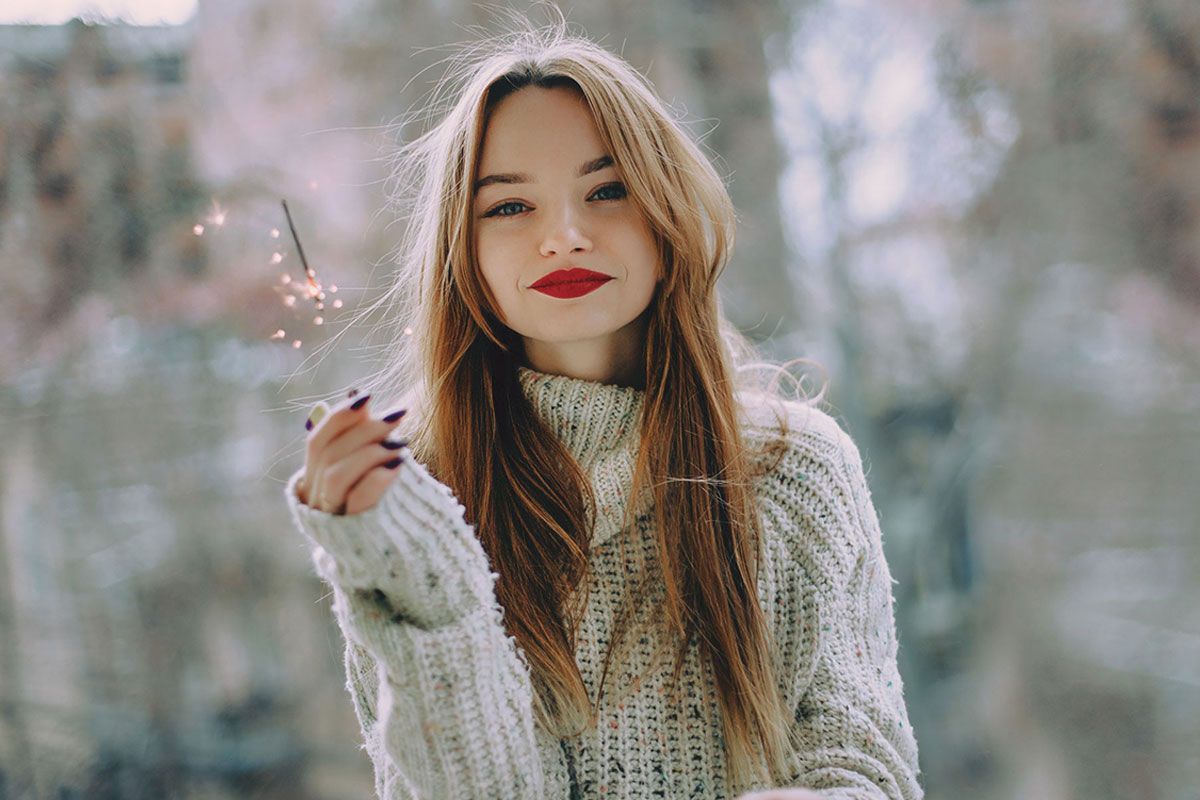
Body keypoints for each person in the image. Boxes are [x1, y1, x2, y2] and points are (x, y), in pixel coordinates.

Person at [284, 14, 923, 800]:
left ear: (666, 213)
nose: (565, 236)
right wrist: (425, 578)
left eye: (607, 189)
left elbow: (864, 771)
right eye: (510, 207)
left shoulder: (795, 470)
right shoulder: (412, 496)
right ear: (462, 248)